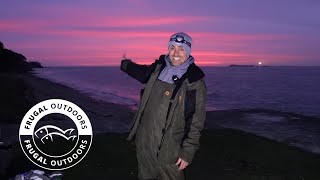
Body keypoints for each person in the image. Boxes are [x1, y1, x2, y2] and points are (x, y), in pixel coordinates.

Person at [120, 32, 207, 180]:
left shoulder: (194, 83)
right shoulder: (158, 69)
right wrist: (125, 64)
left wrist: (187, 152)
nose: (176, 53)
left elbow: (196, 121)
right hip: (145, 142)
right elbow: (141, 73)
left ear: (188, 51)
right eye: (172, 47)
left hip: (170, 150)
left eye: (181, 49)